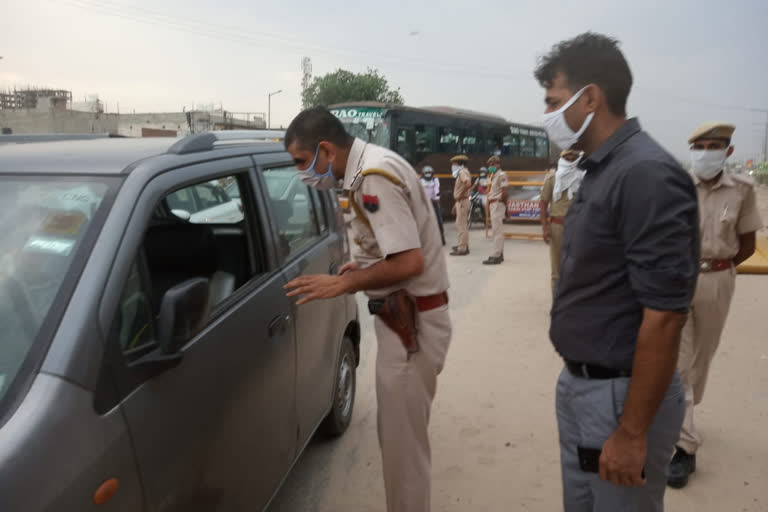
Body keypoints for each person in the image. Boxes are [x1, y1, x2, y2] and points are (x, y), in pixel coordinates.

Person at [535, 33, 699, 511]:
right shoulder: (603, 169)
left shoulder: (645, 174)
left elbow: (665, 315)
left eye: (553, 101)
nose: (546, 114)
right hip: (587, 389)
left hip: (620, 398)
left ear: (591, 97)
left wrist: (631, 432)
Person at [282, 106, 451, 512]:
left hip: (412, 327)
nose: (302, 174)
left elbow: (410, 262)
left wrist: (343, 283)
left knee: (402, 456)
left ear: (326, 150)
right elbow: (397, 248)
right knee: (398, 442)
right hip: (405, 318)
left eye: (302, 162)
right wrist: (367, 267)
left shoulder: (372, 176)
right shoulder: (371, 165)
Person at [667, 122, 763, 489]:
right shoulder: (676, 187)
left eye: (714, 146)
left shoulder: (743, 190)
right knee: (678, 365)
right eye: (700, 145)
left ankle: (684, 412)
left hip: (719, 281)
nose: (706, 151)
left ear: (728, 152)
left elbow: (748, 244)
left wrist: (717, 269)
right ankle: (685, 449)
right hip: (678, 279)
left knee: (700, 361)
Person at [539, 149, 584, 292]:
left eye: (574, 155)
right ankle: (557, 304)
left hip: (578, 227)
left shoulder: (584, 178)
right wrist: (545, 228)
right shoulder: (552, 179)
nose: (570, 158)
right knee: (556, 269)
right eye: (567, 155)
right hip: (557, 227)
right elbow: (543, 204)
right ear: (562, 158)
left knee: (577, 268)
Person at [482, 156, 509, 265]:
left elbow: (505, 192)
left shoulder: (501, 175)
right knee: (497, 230)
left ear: (498, 164)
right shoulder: (494, 175)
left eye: (493, 165)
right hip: (494, 203)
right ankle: (500, 254)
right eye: (490, 165)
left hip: (497, 203)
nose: (491, 167)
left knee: (497, 231)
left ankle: (496, 255)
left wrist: (502, 204)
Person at [450, 155, 472, 256]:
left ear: (459, 163)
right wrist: (456, 204)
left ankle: (462, 248)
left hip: (462, 201)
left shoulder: (462, 172)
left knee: (461, 225)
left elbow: (467, 184)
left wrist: (460, 195)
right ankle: (463, 245)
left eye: (454, 164)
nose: (452, 166)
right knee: (462, 224)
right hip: (461, 201)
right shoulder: (464, 171)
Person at [420, 165, 446, 245]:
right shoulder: (420, 181)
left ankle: (442, 238)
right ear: (423, 173)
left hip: (434, 201)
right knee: (423, 220)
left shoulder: (435, 180)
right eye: (426, 173)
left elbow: (437, 189)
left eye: (429, 173)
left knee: (438, 219)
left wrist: (437, 197)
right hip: (424, 202)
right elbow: (420, 191)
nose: (428, 174)